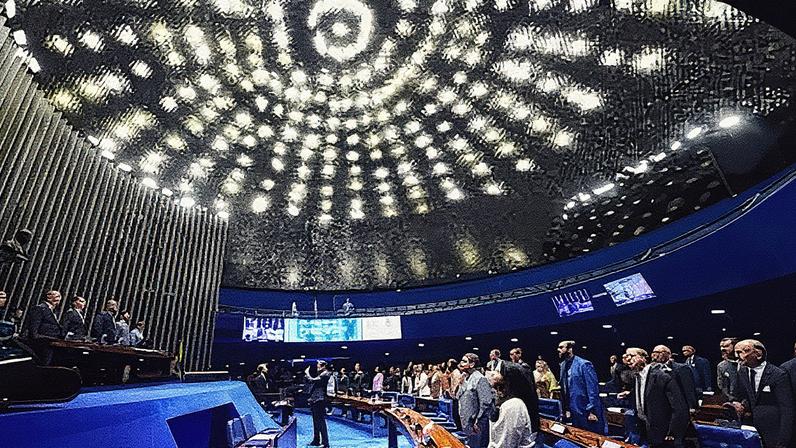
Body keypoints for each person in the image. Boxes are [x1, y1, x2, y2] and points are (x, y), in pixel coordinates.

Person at [622, 348, 689, 448]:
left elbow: (679, 408)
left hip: (664, 434)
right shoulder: (636, 377)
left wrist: (671, 433)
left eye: (631, 356)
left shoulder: (661, 377)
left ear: (643, 358)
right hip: (647, 431)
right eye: (626, 356)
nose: (627, 359)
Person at [731, 339, 793, 448]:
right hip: (752, 431)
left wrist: (784, 440)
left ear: (758, 354)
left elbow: (787, 409)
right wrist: (741, 404)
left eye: (741, 352)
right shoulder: (742, 372)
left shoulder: (778, 374)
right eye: (736, 352)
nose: (737, 356)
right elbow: (748, 397)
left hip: (774, 432)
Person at [558, 340, 607, 434]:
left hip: (585, 409)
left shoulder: (584, 364)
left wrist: (592, 410)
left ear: (570, 349)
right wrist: (566, 408)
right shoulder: (563, 365)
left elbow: (592, 389)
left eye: (561, 347)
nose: (558, 350)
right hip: (573, 409)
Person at [487, 364, 540, 448]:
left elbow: (508, 444)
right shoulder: (503, 399)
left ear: (508, 379)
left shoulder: (513, 405)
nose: (492, 374)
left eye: (498, 372)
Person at [457, 352, 495, 448]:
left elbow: (486, 402)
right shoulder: (465, 378)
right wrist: (460, 383)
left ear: (472, 364)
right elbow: (457, 396)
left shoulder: (481, 379)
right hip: (467, 424)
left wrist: (478, 422)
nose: (461, 363)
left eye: (464, 361)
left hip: (477, 425)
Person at [651, 345, 698, 411]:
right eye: (654, 352)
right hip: (659, 406)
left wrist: (691, 406)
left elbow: (688, 388)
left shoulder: (681, 368)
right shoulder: (651, 370)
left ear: (669, 354)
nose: (655, 355)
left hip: (678, 406)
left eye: (659, 352)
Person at [25, 290, 64, 365]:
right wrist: (47, 339)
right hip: (43, 345)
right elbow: (34, 331)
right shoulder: (40, 308)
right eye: (57, 296)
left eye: (59, 297)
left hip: (51, 344)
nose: (59, 299)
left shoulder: (53, 311)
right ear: (48, 297)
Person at [305, 360, 332, 448]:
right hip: (315, 399)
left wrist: (307, 373)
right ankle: (316, 440)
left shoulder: (326, 374)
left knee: (320, 421)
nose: (317, 367)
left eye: (319, 365)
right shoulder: (321, 374)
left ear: (324, 366)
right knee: (315, 421)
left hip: (320, 400)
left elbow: (312, 380)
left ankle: (325, 443)